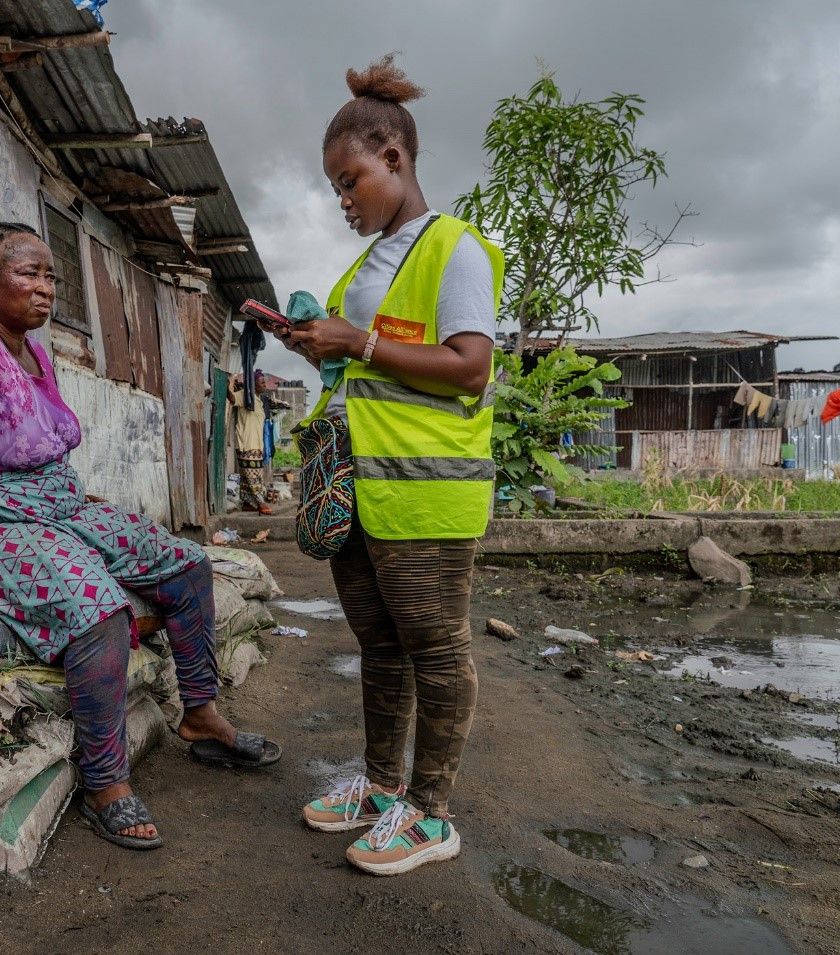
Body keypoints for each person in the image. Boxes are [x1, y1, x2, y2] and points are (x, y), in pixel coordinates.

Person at [0, 222, 280, 851]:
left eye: (51, 276)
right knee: (98, 613)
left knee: (185, 564)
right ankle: (104, 782)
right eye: (29, 274)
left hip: (57, 508)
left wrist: (80, 504)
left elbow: (39, 448)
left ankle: (199, 715)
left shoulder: (36, 353)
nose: (45, 289)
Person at [262, 55, 502, 876]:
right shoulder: (369, 262)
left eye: (350, 180)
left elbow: (471, 365)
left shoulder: (454, 248)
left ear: (394, 159)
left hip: (428, 492)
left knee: (433, 645)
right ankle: (379, 786)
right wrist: (321, 342)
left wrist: (357, 340)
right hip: (364, 486)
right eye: (335, 188)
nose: (343, 201)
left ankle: (431, 814)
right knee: (379, 642)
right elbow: (367, 367)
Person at [229, 371, 274, 514]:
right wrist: (229, 384)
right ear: (253, 385)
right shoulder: (245, 395)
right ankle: (261, 503)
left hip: (257, 445)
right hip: (246, 443)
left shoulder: (259, 401)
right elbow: (232, 399)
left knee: (249, 476)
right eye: (262, 382)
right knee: (253, 476)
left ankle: (248, 503)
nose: (265, 385)